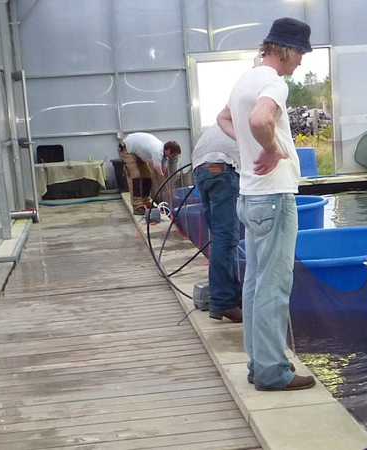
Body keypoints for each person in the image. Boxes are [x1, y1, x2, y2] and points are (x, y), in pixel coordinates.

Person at [217, 17, 316, 391]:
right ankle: (274, 372)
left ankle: (259, 366)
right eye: (301, 54)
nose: (302, 63)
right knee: (274, 287)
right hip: (274, 196)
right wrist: (272, 150)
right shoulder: (273, 83)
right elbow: (260, 118)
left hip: (250, 196)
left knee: (255, 286)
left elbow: (225, 118)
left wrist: (252, 144)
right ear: (287, 50)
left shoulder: (245, 79)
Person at [191, 123, 242, 323]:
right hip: (221, 168)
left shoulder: (220, 123)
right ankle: (222, 302)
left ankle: (233, 294)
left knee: (220, 237)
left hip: (201, 171)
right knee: (226, 238)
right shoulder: (251, 119)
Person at [118, 133, 181, 215]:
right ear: (168, 150)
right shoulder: (157, 150)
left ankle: (146, 201)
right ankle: (137, 206)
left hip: (136, 151)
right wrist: (166, 192)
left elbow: (164, 173)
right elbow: (159, 172)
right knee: (135, 175)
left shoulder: (165, 154)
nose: (173, 157)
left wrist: (168, 188)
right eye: (173, 155)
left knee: (147, 174)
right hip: (126, 148)